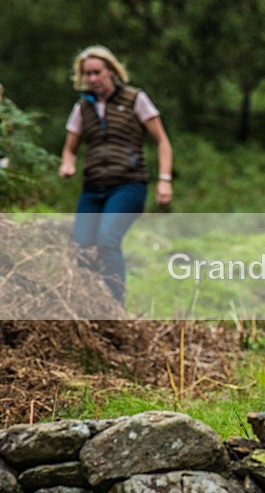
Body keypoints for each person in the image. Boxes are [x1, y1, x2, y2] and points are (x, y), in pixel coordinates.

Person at [58, 45, 173, 304]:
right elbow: (69, 149)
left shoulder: (135, 99)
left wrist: (164, 180)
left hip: (128, 185)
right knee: (83, 249)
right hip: (93, 187)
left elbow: (163, 142)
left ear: (111, 71)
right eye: (87, 74)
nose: (92, 79)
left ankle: (115, 307)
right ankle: (88, 306)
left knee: (107, 240)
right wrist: (68, 164)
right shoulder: (82, 108)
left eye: (97, 72)